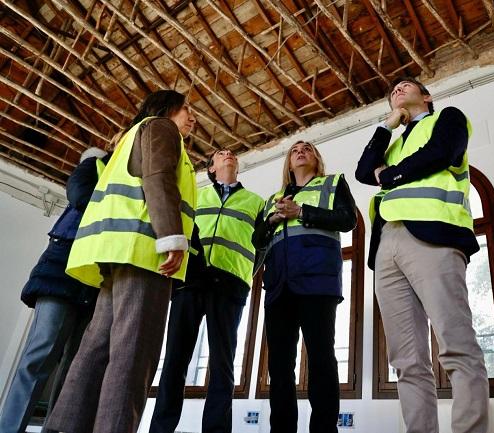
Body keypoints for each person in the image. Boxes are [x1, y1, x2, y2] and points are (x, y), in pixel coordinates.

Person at [45, 89, 198, 433]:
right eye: (187, 108)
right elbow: (158, 179)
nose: (193, 116)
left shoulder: (133, 133)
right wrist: (171, 236)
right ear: (167, 107)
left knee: (95, 352)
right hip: (145, 253)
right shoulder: (162, 128)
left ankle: (63, 427)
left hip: (116, 255)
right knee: (133, 356)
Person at [355, 77, 489, 433]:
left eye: (405, 85)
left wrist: (392, 174)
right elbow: (363, 171)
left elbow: (441, 153)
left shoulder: (446, 118)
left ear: (426, 96)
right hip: (387, 245)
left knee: (457, 346)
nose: (397, 90)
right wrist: (386, 127)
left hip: (434, 236)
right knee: (406, 360)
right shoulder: (395, 141)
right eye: (392, 90)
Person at [149, 149, 264, 433]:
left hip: (229, 286)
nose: (229, 156)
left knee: (223, 365)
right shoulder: (195, 196)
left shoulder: (257, 202)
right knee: (175, 360)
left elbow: (262, 247)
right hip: (190, 281)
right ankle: (160, 429)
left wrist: (243, 274)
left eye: (233, 154)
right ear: (211, 168)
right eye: (221, 154)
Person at [0, 148, 109, 433]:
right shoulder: (92, 166)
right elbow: (80, 196)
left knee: (76, 368)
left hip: (97, 276)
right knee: (40, 353)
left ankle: (56, 429)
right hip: (62, 269)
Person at [252, 140, 356, 433]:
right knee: (280, 367)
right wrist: (273, 219)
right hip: (278, 286)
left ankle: (324, 429)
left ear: (317, 159)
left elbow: (348, 220)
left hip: (317, 282)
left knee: (321, 358)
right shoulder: (273, 198)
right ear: (288, 162)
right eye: (295, 150)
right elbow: (258, 240)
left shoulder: (333, 184)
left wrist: (302, 212)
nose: (301, 151)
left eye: (307, 148)